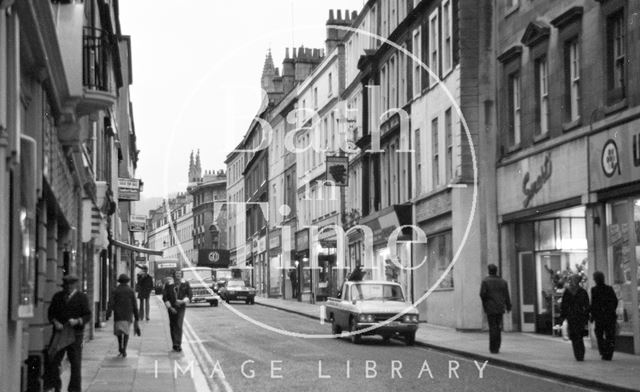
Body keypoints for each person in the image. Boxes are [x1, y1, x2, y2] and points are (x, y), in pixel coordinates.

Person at [43, 274, 92, 392]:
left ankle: (74, 389)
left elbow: (87, 315)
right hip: (59, 334)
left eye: (71, 285)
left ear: (76, 285)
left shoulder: (82, 297)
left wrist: (77, 321)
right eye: (66, 285)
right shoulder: (57, 297)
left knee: (75, 364)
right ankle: (56, 385)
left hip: (75, 335)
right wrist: (55, 322)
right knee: (53, 360)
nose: (68, 287)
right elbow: (50, 314)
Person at [479, 264, 512, 354]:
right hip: (500, 307)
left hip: (490, 307)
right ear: (496, 271)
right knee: (498, 327)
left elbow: (482, 294)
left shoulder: (485, 281)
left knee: (492, 327)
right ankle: (497, 346)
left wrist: (485, 304)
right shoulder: (503, 282)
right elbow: (506, 295)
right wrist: (508, 306)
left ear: (489, 271)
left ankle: (493, 348)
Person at [107, 274, 140, 357]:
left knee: (119, 332)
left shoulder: (115, 290)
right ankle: (124, 349)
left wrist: (110, 312)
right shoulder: (131, 291)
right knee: (126, 332)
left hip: (118, 315)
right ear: (127, 281)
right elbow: (135, 305)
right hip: (128, 315)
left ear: (119, 281)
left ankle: (120, 347)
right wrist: (136, 317)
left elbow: (111, 303)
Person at [561, 274, 590, 361]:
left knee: (575, 335)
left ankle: (578, 353)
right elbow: (587, 305)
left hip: (573, 316)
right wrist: (586, 315)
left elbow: (564, 305)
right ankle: (580, 353)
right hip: (578, 316)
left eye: (573, 280)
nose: (572, 281)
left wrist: (564, 315)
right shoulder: (582, 291)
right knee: (578, 335)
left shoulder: (568, 292)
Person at [591, 271, 618, 360]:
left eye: (595, 278)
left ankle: (603, 350)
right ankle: (608, 353)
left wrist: (593, 315)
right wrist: (611, 310)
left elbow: (594, 304)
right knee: (610, 335)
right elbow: (615, 301)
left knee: (599, 334)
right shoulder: (609, 289)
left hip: (600, 316)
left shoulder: (594, 290)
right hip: (609, 316)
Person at [163, 270, 192, 352]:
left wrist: (182, 301)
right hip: (172, 307)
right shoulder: (169, 284)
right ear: (174, 275)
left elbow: (190, 295)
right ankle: (174, 344)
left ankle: (178, 344)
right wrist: (170, 308)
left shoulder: (185, 283)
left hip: (181, 307)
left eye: (179, 274)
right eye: (176, 274)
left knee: (179, 324)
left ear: (181, 275)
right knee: (172, 325)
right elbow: (165, 297)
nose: (178, 275)